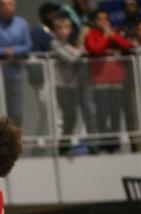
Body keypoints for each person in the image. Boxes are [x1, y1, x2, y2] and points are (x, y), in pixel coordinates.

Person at [84, 9, 133, 154]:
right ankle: (104, 143)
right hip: (100, 82)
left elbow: (127, 46)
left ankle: (115, 143)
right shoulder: (91, 35)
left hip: (117, 81)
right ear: (94, 21)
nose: (104, 22)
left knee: (116, 113)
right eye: (100, 19)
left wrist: (113, 36)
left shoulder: (114, 33)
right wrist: (106, 37)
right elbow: (96, 49)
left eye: (106, 19)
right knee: (102, 114)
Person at [0, 0, 31, 125]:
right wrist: (4, 52)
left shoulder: (22, 23)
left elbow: (27, 45)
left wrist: (14, 51)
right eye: (3, 5)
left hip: (15, 73)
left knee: (16, 109)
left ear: (14, 6)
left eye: (10, 4)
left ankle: (15, 138)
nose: (6, 8)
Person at [50, 14, 93, 155]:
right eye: (60, 28)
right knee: (69, 117)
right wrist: (81, 48)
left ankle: (66, 146)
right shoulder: (55, 44)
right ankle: (63, 147)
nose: (63, 31)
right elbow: (71, 58)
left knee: (73, 117)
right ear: (55, 30)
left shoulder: (68, 45)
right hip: (62, 85)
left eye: (66, 28)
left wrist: (79, 49)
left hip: (72, 85)